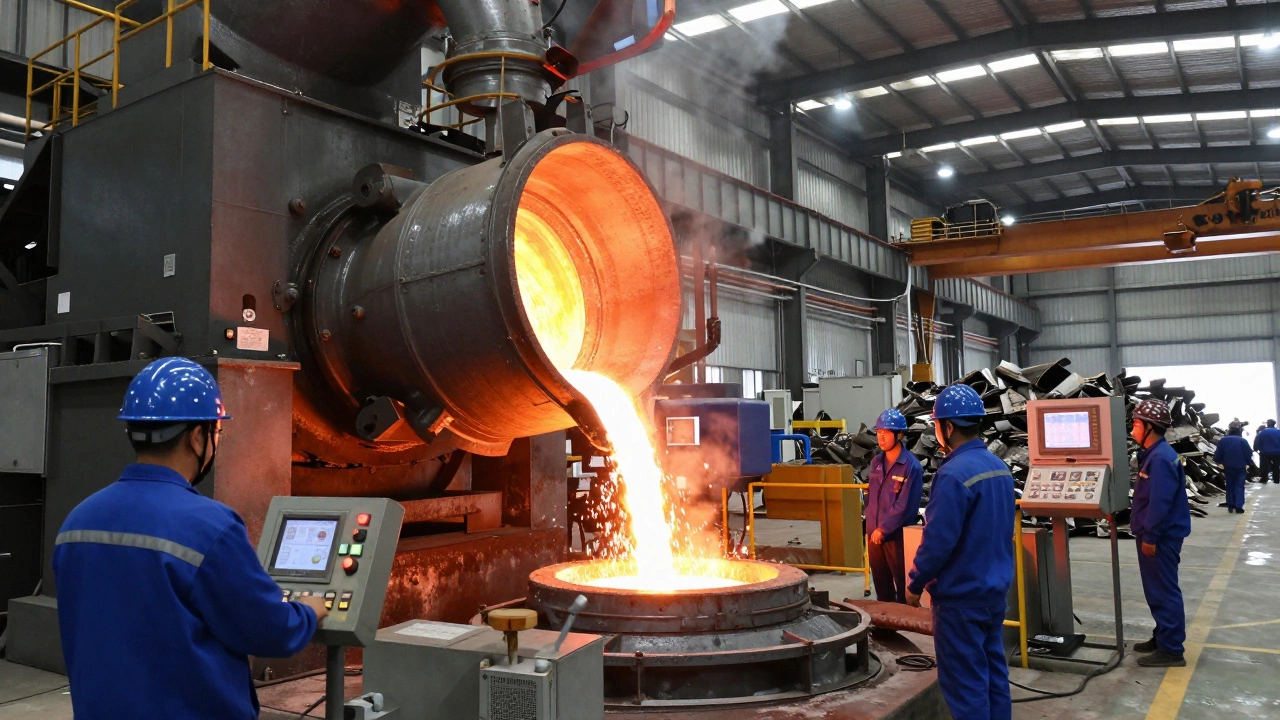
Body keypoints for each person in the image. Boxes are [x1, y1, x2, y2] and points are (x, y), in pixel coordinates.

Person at [53, 357, 329, 720]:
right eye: (217, 433)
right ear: (198, 436)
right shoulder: (211, 528)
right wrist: (309, 610)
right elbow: (270, 632)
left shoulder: (77, 522)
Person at [906, 384, 1014, 720]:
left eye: (937, 424)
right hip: (994, 593)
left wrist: (915, 582)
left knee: (965, 684)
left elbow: (938, 540)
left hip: (960, 599)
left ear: (947, 427)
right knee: (994, 674)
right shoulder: (999, 468)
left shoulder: (952, 475)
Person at [1130, 398, 1192, 668]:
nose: (1132, 429)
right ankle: (1162, 635)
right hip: (1155, 534)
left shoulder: (1162, 459)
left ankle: (1171, 649)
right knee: (1156, 590)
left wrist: (1151, 538)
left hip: (1160, 537)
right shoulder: (1155, 454)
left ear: (1149, 427)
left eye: (1135, 424)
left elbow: (1160, 503)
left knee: (1164, 591)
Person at [865, 408, 924, 604]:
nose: (880, 439)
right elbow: (872, 497)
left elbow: (906, 505)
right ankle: (885, 627)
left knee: (901, 583)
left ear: (900, 435)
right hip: (873, 535)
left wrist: (884, 529)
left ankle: (902, 622)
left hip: (895, 537)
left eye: (886, 434)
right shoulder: (876, 463)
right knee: (881, 585)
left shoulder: (911, 466)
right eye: (878, 433)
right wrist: (871, 527)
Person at [1215, 421, 1252, 514]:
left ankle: (1231, 505)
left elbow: (1218, 454)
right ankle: (1239, 506)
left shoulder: (1223, 440)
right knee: (1239, 486)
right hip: (1240, 467)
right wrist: (1248, 463)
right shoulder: (1243, 441)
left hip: (1228, 466)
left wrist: (1219, 461)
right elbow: (1248, 453)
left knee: (1229, 485)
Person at [1254, 419, 1280, 483]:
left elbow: (1257, 442)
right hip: (1277, 452)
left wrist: (1256, 449)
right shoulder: (1278, 432)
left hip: (1265, 453)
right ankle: (1276, 479)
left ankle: (1264, 479)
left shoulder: (1262, 432)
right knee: (1276, 466)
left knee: (1264, 466)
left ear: (1267, 424)